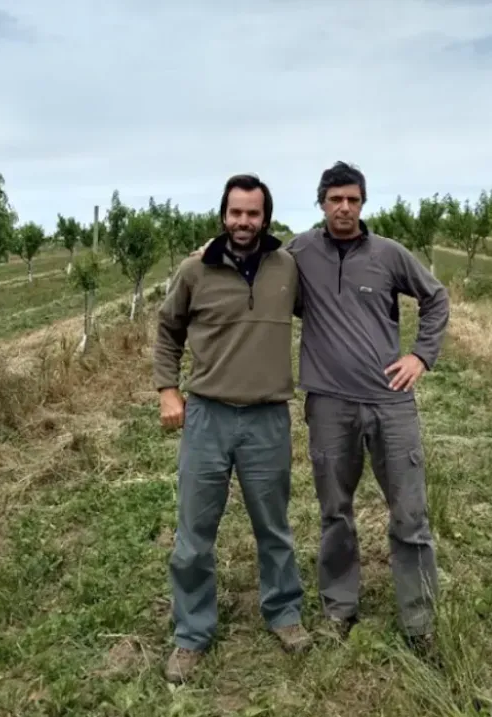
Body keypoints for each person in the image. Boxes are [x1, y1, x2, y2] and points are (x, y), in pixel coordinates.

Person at [153, 173, 311, 684]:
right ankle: (191, 634)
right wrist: (167, 389)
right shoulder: (195, 270)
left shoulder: (287, 268)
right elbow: (167, 329)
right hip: (208, 416)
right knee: (194, 532)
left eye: (254, 213)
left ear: (266, 217)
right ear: (223, 215)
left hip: (267, 417)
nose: (244, 222)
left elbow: (324, 300)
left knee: (274, 527)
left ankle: (284, 612)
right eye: (236, 212)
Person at [285, 162, 450, 649]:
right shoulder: (300, 251)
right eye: (336, 199)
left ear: (363, 203)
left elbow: (436, 298)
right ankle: (339, 607)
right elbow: (253, 256)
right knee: (335, 509)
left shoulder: (388, 254)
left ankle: (419, 621)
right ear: (321, 202)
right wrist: (209, 249)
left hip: (389, 401)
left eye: (353, 199)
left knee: (409, 512)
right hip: (329, 403)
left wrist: (420, 355)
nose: (344, 207)